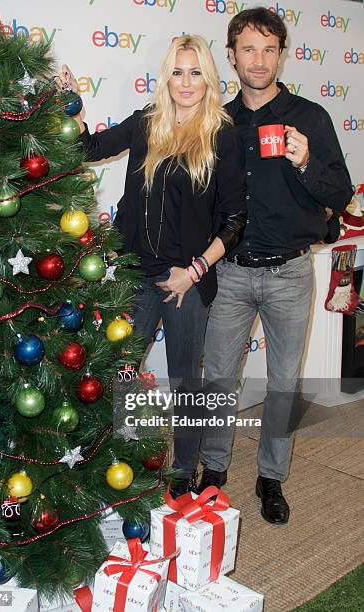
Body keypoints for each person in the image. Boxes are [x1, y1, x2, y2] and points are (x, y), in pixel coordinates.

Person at [59, 35, 247, 498]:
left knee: (186, 380)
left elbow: (236, 219)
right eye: (178, 72)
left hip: (186, 281)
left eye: (196, 72)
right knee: (120, 372)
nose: (186, 82)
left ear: (208, 78)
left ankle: (183, 470)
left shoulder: (223, 133)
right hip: (135, 275)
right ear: (167, 76)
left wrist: (196, 271)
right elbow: (89, 149)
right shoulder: (147, 122)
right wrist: (70, 110)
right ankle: (122, 456)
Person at [199, 8, 353, 522]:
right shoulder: (218, 122)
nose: (258, 60)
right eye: (248, 49)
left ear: (281, 54)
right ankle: (214, 472)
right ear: (232, 55)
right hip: (232, 273)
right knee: (219, 377)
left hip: (290, 273)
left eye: (268, 49)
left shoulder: (310, 117)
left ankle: (271, 477)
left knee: (284, 383)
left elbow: (340, 193)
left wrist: (306, 161)